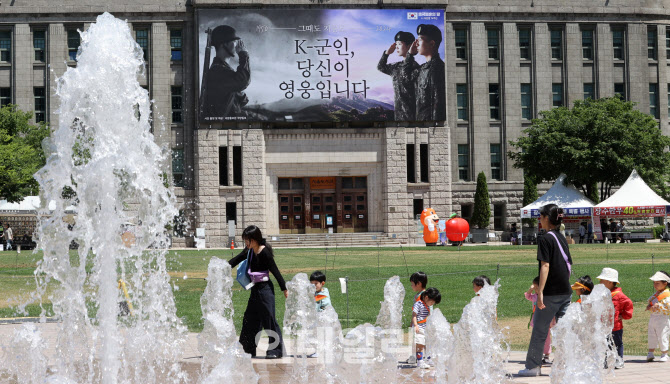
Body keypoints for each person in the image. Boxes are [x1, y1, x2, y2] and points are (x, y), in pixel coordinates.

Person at [518, 204, 572, 377]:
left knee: (540, 330)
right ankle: (567, 364)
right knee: (564, 331)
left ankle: (533, 367)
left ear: (546, 218)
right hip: (565, 290)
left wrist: (540, 291)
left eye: (540, 217)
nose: (539, 220)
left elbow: (545, 265)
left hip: (551, 292)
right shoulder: (561, 237)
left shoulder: (545, 238)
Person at [228, 225, 287, 359]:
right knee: (250, 319)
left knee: (269, 320)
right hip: (255, 289)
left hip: (265, 290)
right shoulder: (249, 251)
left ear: (254, 239)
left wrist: (284, 288)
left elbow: (275, 270)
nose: (246, 243)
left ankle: (275, 351)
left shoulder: (264, 252)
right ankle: (247, 349)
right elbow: (237, 258)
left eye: (247, 240)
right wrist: (224, 267)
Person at [201, 25, 250, 120]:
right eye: (234, 41)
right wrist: (244, 55)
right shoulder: (218, 71)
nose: (236, 45)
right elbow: (244, 81)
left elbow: (242, 100)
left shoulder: (224, 70)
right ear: (224, 44)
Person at [377, 31, 420, 120]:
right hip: (398, 114)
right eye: (396, 44)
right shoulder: (396, 67)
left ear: (409, 46)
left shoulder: (415, 67)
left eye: (399, 44)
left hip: (412, 114)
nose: (396, 47)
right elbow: (381, 67)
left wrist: (410, 55)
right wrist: (386, 53)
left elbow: (405, 73)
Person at [597, 267, 634, 369]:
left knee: (617, 344)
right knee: (605, 344)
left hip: (616, 326)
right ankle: (607, 361)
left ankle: (619, 360)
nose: (600, 282)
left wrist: (624, 316)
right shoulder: (603, 293)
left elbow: (628, 304)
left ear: (609, 282)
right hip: (604, 326)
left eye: (602, 280)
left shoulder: (619, 296)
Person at [409, 24, 445, 121]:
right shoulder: (423, 68)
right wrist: (410, 55)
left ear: (432, 44)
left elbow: (438, 105)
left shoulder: (438, 68)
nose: (416, 43)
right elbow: (405, 77)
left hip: (429, 128)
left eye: (420, 40)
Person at [525, 276, 556, 365]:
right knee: (537, 338)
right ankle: (538, 355)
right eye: (534, 287)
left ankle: (546, 355)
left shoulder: (547, 297)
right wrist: (530, 290)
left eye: (536, 287)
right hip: (536, 321)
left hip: (546, 321)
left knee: (546, 339)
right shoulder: (535, 296)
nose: (535, 289)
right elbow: (527, 296)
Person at [412, 287, 441, 369]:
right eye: (432, 302)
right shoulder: (418, 304)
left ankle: (428, 358)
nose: (432, 304)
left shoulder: (427, 306)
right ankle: (420, 361)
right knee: (420, 345)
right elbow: (414, 315)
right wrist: (415, 325)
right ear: (426, 297)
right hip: (419, 327)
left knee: (427, 344)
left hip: (425, 327)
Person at [646, 271, 670, 362]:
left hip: (662, 318)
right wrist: (649, 306)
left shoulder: (667, 295)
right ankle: (650, 352)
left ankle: (664, 353)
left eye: (657, 283)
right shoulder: (656, 294)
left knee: (663, 334)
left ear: (665, 283)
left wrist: (659, 306)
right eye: (654, 283)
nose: (655, 285)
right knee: (651, 334)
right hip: (653, 317)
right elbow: (651, 301)